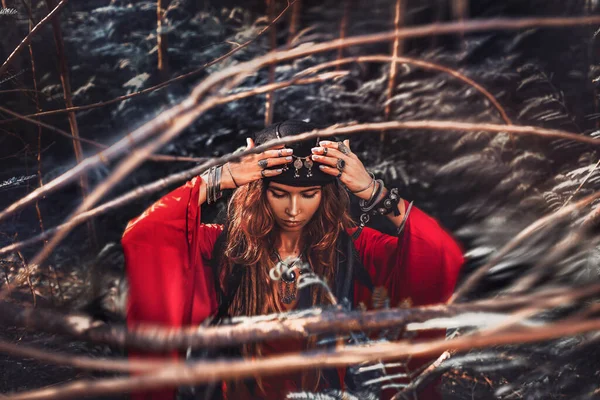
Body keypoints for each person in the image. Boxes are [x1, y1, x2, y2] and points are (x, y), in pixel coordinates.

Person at [122, 120, 464, 400]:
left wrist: (374, 192)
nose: (294, 210)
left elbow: (438, 254)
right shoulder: (224, 246)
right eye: (280, 194)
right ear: (259, 191)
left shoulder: (351, 249)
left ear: (325, 195)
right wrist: (218, 178)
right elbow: (143, 236)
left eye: (309, 195)